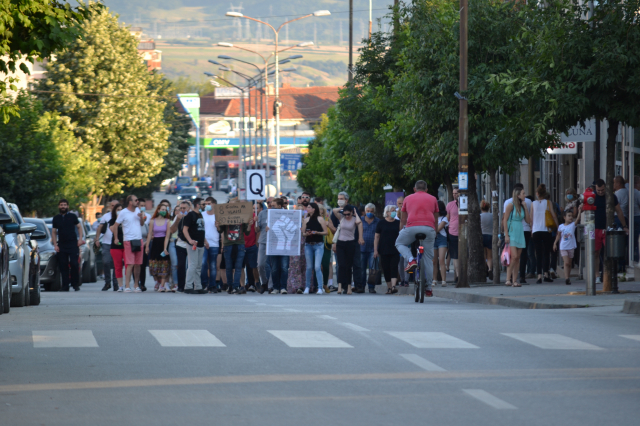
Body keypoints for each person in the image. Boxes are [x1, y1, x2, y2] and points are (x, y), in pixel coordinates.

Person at [395, 180, 439, 298]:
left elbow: (403, 219)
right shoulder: (433, 199)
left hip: (411, 227)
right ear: (426, 189)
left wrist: (401, 231)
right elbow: (435, 217)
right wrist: (434, 231)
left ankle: (411, 260)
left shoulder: (407, 199)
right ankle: (429, 288)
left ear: (414, 189)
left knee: (399, 243)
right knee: (428, 258)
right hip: (428, 228)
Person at [593, 179, 628, 283]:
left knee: (610, 252)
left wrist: (624, 225)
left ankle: (608, 275)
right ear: (595, 188)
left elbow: (619, 211)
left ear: (605, 187)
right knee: (596, 253)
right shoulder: (592, 197)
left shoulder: (611, 196)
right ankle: (597, 276)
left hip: (607, 228)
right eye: (598, 190)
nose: (600, 192)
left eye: (602, 190)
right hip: (595, 228)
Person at [111, 195, 145, 293]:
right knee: (130, 264)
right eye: (136, 200)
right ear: (130, 202)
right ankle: (127, 286)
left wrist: (141, 217)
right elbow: (116, 225)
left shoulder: (138, 210)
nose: (137, 201)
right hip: (128, 240)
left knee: (138, 264)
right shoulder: (123, 212)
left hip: (139, 240)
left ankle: (136, 285)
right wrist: (116, 238)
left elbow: (142, 224)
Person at [217, 201, 251, 294]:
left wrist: (249, 225)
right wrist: (217, 226)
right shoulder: (224, 217)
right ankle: (230, 286)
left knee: (238, 267)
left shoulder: (242, 216)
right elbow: (220, 230)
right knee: (229, 267)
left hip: (240, 244)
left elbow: (247, 232)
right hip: (228, 244)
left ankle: (236, 286)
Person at [503, 183, 533, 284]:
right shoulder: (510, 205)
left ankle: (515, 280)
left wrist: (525, 208)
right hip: (512, 231)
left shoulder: (522, 205)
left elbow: (528, 221)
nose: (525, 195)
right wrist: (506, 234)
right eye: (523, 193)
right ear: (518, 195)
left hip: (520, 231)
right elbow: (505, 220)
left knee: (518, 258)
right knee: (514, 256)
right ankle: (508, 278)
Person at [51, 199, 84, 292]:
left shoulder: (73, 217)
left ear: (67, 206)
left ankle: (75, 284)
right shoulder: (56, 218)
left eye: (65, 205)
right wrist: (55, 245)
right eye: (61, 205)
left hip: (73, 244)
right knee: (63, 265)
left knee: (74, 264)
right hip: (61, 245)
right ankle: (65, 286)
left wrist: (80, 239)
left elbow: (79, 227)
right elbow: (54, 232)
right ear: (59, 206)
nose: (63, 206)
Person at [332, 204, 364, 294]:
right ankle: (340, 286)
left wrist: (355, 213)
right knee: (341, 265)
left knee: (349, 266)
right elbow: (334, 211)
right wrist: (342, 208)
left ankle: (349, 286)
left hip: (350, 243)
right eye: (345, 214)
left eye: (348, 214)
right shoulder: (341, 218)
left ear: (351, 213)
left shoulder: (354, 219)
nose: (346, 216)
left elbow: (359, 223)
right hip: (340, 243)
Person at [531, 184, 558, 284]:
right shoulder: (548, 202)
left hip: (536, 230)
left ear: (537, 193)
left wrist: (531, 230)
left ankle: (539, 276)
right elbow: (553, 215)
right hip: (546, 230)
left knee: (538, 253)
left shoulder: (533, 204)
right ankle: (546, 274)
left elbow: (531, 218)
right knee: (546, 253)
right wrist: (557, 225)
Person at [301, 202, 328, 294]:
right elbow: (303, 233)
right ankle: (307, 287)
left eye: (309, 207)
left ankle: (320, 287)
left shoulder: (320, 219)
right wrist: (307, 234)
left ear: (314, 209)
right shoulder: (306, 219)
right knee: (309, 267)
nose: (307, 209)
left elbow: (326, 232)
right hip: (308, 244)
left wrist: (317, 232)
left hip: (318, 245)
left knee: (317, 267)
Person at [182, 198, 207, 294]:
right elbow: (185, 230)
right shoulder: (190, 215)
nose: (204, 206)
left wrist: (205, 241)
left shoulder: (200, 215)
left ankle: (198, 286)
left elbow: (201, 230)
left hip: (201, 244)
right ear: (197, 205)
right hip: (193, 244)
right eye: (203, 204)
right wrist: (190, 240)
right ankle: (188, 286)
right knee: (192, 264)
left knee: (198, 266)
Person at [374, 205, 400, 294]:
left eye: (394, 211)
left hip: (395, 248)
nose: (394, 212)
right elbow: (376, 237)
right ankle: (389, 287)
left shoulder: (398, 223)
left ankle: (393, 286)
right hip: (384, 249)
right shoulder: (381, 223)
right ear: (387, 212)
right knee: (386, 268)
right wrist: (375, 250)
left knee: (394, 267)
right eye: (392, 211)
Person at [266, 198, 290, 294]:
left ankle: (283, 287)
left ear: (280, 206)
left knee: (284, 267)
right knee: (275, 267)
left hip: (284, 245)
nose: (272, 207)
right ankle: (276, 287)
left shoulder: (288, 214)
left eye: (274, 206)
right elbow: (267, 228)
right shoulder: (270, 215)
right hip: (274, 245)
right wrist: (267, 229)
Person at [145, 204, 171, 292]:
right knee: (153, 265)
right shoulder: (153, 221)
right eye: (162, 209)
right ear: (158, 210)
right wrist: (147, 246)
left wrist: (165, 248)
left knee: (164, 264)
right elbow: (149, 234)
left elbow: (167, 236)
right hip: (155, 243)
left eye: (165, 209)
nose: (164, 211)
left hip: (163, 243)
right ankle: (157, 281)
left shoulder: (167, 221)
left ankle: (162, 285)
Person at [95, 200, 119, 291]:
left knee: (116, 264)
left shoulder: (122, 216)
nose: (114, 207)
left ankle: (116, 283)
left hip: (117, 243)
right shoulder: (106, 216)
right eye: (112, 205)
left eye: (116, 205)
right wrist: (97, 239)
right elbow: (100, 227)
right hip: (106, 243)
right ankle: (107, 282)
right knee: (106, 262)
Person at [554, 208, 582, 285]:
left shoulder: (573, 225)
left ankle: (568, 277)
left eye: (571, 216)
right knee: (566, 263)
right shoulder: (561, 226)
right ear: (564, 217)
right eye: (569, 216)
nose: (570, 217)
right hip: (563, 247)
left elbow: (578, 219)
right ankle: (566, 278)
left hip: (571, 247)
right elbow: (558, 235)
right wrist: (555, 243)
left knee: (569, 263)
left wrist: (579, 211)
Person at [170, 201, 191, 292]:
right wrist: (178, 220)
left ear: (189, 208)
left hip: (191, 244)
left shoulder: (192, 216)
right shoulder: (177, 217)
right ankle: (181, 286)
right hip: (180, 244)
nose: (182, 210)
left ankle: (190, 285)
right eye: (181, 208)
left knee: (191, 266)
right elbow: (172, 230)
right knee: (181, 265)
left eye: (184, 208)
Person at [201, 197, 221, 293]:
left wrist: (218, 227)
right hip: (204, 243)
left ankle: (212, 285)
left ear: (214, 204)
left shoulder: (218, 216)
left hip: (214, 243)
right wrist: (204, 241)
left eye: (209, 203)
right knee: (203, 263)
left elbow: (221, 231)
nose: (206, 205)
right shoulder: (202, 215)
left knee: (213, 265)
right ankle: (204, 284)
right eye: (205, 204)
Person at [359, 203, 380, 293]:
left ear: (374, 212)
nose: (369, 213)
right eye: (368, 211)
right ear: (365, 211)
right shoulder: (360, 220)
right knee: (362, 268)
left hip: (373, 248)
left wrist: (377, 250)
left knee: (373, 269)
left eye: (371, 211)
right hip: (362, 248)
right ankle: (361, 286)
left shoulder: (377, 221)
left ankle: (371, 287)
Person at [287, 201, 307, 294]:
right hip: (294, 245)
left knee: (304, 265)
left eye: (302, 210)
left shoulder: (307, 220)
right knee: (295, 265)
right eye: (298, 210)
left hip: (305, 245)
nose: (300, 211)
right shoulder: (291, 220)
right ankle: (295, 286)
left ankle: (305, 285)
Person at [105, 204, 125, 291]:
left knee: (128, 265)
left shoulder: (125, 220)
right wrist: (118, 220)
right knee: (117, 266)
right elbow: (112, 229)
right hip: (115, 246)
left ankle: (127, 284)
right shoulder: (112, 220)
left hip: (126, 245)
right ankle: (120, 285)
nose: (119, 211)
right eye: (118, 209)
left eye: (121, 209)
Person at [255, 200, 272, 294]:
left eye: (272, 202)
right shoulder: (262, 213)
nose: (270, 203)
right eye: (268, 202)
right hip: (263, 241)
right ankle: (264, 282)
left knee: (273, 265)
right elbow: (257, 229)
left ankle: (271, 285)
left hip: (275, 242)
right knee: (260, 264)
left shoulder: (279, 213)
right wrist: (256, 222)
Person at [243, 203, 260, 292]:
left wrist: (256, 222)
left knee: (253, 266)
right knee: (245, 266)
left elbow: (257, 230)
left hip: (252, 244)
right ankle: (249, 283)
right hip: (242, 244)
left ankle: (256, 283)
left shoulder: (254, 216)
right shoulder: (239, 217)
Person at [433, 200, 449, 287]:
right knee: (434, 261)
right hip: (433, 239)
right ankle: (434, 280)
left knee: (442, 260)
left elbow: (438, 229)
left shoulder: (444, 218)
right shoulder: (432, 217)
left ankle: (444, 281)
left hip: (441, 239)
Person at [446, 189, 460, 283]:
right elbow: (447, 218)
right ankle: (458, 275)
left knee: (463, 254)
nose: (455, 195)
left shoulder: (465, 203)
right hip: (453, 231)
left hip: (464, 232)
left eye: (456, 193)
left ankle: (461, 274)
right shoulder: (450, 205)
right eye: (453, 193)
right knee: (455, 255)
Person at [480, 200, 494, 281]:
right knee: (489, 256)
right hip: (490, 235)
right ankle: (490, 269)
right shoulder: (492, 216)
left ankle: (485, 269)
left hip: (482, 235)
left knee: (484, 255)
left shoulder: (480, 216)